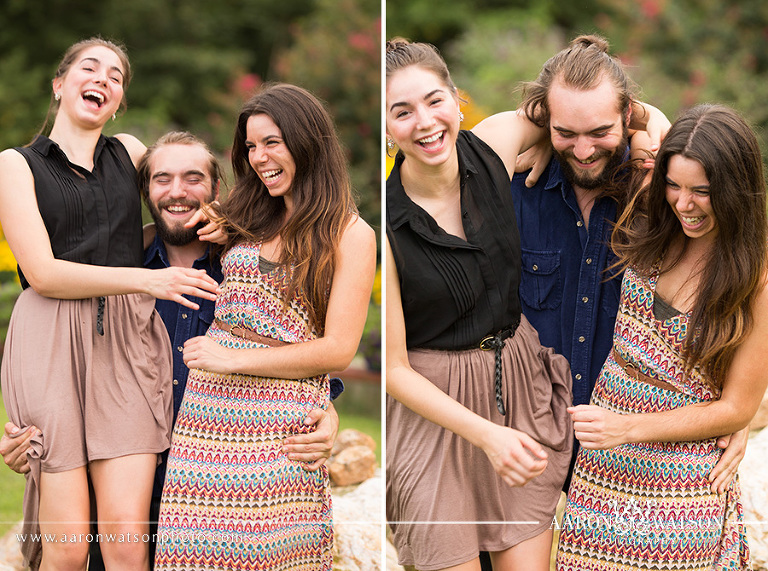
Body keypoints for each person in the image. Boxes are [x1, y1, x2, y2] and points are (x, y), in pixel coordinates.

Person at [0, 130, 343, 567]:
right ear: (144, 191)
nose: (177, 192)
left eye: (193, 177)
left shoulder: (244, 269)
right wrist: (31, 443)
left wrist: (326, 410)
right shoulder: (114, 278)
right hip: (122, 503)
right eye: (161, 179)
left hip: (220, 502)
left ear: (216, 189)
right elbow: (65, 379)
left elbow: (299, 344)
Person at [472, 34, 747, 495]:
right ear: (544, 120)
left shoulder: (662, 199)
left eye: (599, 132)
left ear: (627, 115)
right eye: (566, 132)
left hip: (627, 467)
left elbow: (725, 296)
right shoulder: (512, 187)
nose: (582, 151)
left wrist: (736, 412)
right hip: (520, 451)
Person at [0, 38, 220, 570]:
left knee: (125, 540)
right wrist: (150, 282)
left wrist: (228, 222)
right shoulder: (15, 165)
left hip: (124, 335)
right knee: (70, 550)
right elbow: (43, 272)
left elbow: (176, 200)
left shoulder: (130, 151)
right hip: (50, 333)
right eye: (89, 67)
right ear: (60, 84)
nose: (103, 78)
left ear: (119, 100)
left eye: (116, 75)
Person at [153, 83, 376, 570]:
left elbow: (338, 349)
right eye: (251, 146)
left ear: (307, 140)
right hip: (207, 416)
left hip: (280, 420)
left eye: (271, 142)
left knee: (267, 553)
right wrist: (219, 214)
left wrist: (233, 359)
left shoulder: (351, 234)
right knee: (190, 551)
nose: (258, 158)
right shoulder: (250, 215)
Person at [385, 38, 574, 571]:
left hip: (515, 383)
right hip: (432, 410)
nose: (424, 122)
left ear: (456, 98)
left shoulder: (495, 141)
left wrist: (651, 128)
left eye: (434, 100)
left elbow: (597, 103)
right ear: (385, 128)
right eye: (402, 111)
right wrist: (487, 436)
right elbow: (394, 370)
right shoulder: (384, 226)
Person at [556, 104, 768, 569]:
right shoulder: (653, 220)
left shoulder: (757, 280)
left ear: (736, 189)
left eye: (703, 192)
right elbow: (612, 112)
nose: (683, 203)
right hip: (602, 470)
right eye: (674, 184)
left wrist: (628, 428)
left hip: (683, 479)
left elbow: (738, 408)